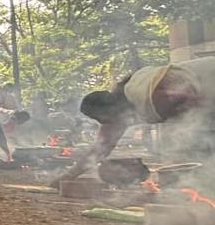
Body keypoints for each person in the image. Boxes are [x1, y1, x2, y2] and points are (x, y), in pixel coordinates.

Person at [57, 57, 215, 184]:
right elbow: (100, 149)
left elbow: (198, 102)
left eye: (104, 119)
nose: (106, 124)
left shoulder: (149, 96)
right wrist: (68, 177)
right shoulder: (119, 113)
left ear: (111, 110)